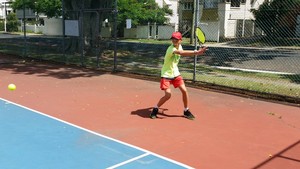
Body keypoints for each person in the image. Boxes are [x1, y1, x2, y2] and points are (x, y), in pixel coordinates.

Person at [150, 31, 208, 120]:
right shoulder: (171, 49)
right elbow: (181, 53)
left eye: (176, 39)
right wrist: (197, 52)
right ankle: (155, 108)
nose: (174, 40)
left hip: (175, 73)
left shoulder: (179, 46)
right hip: (166, 74)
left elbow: (182, 51)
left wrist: (197, 52)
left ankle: (186, 110)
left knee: (184, 91)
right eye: (173, 39)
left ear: (180, 40)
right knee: (168, 95)